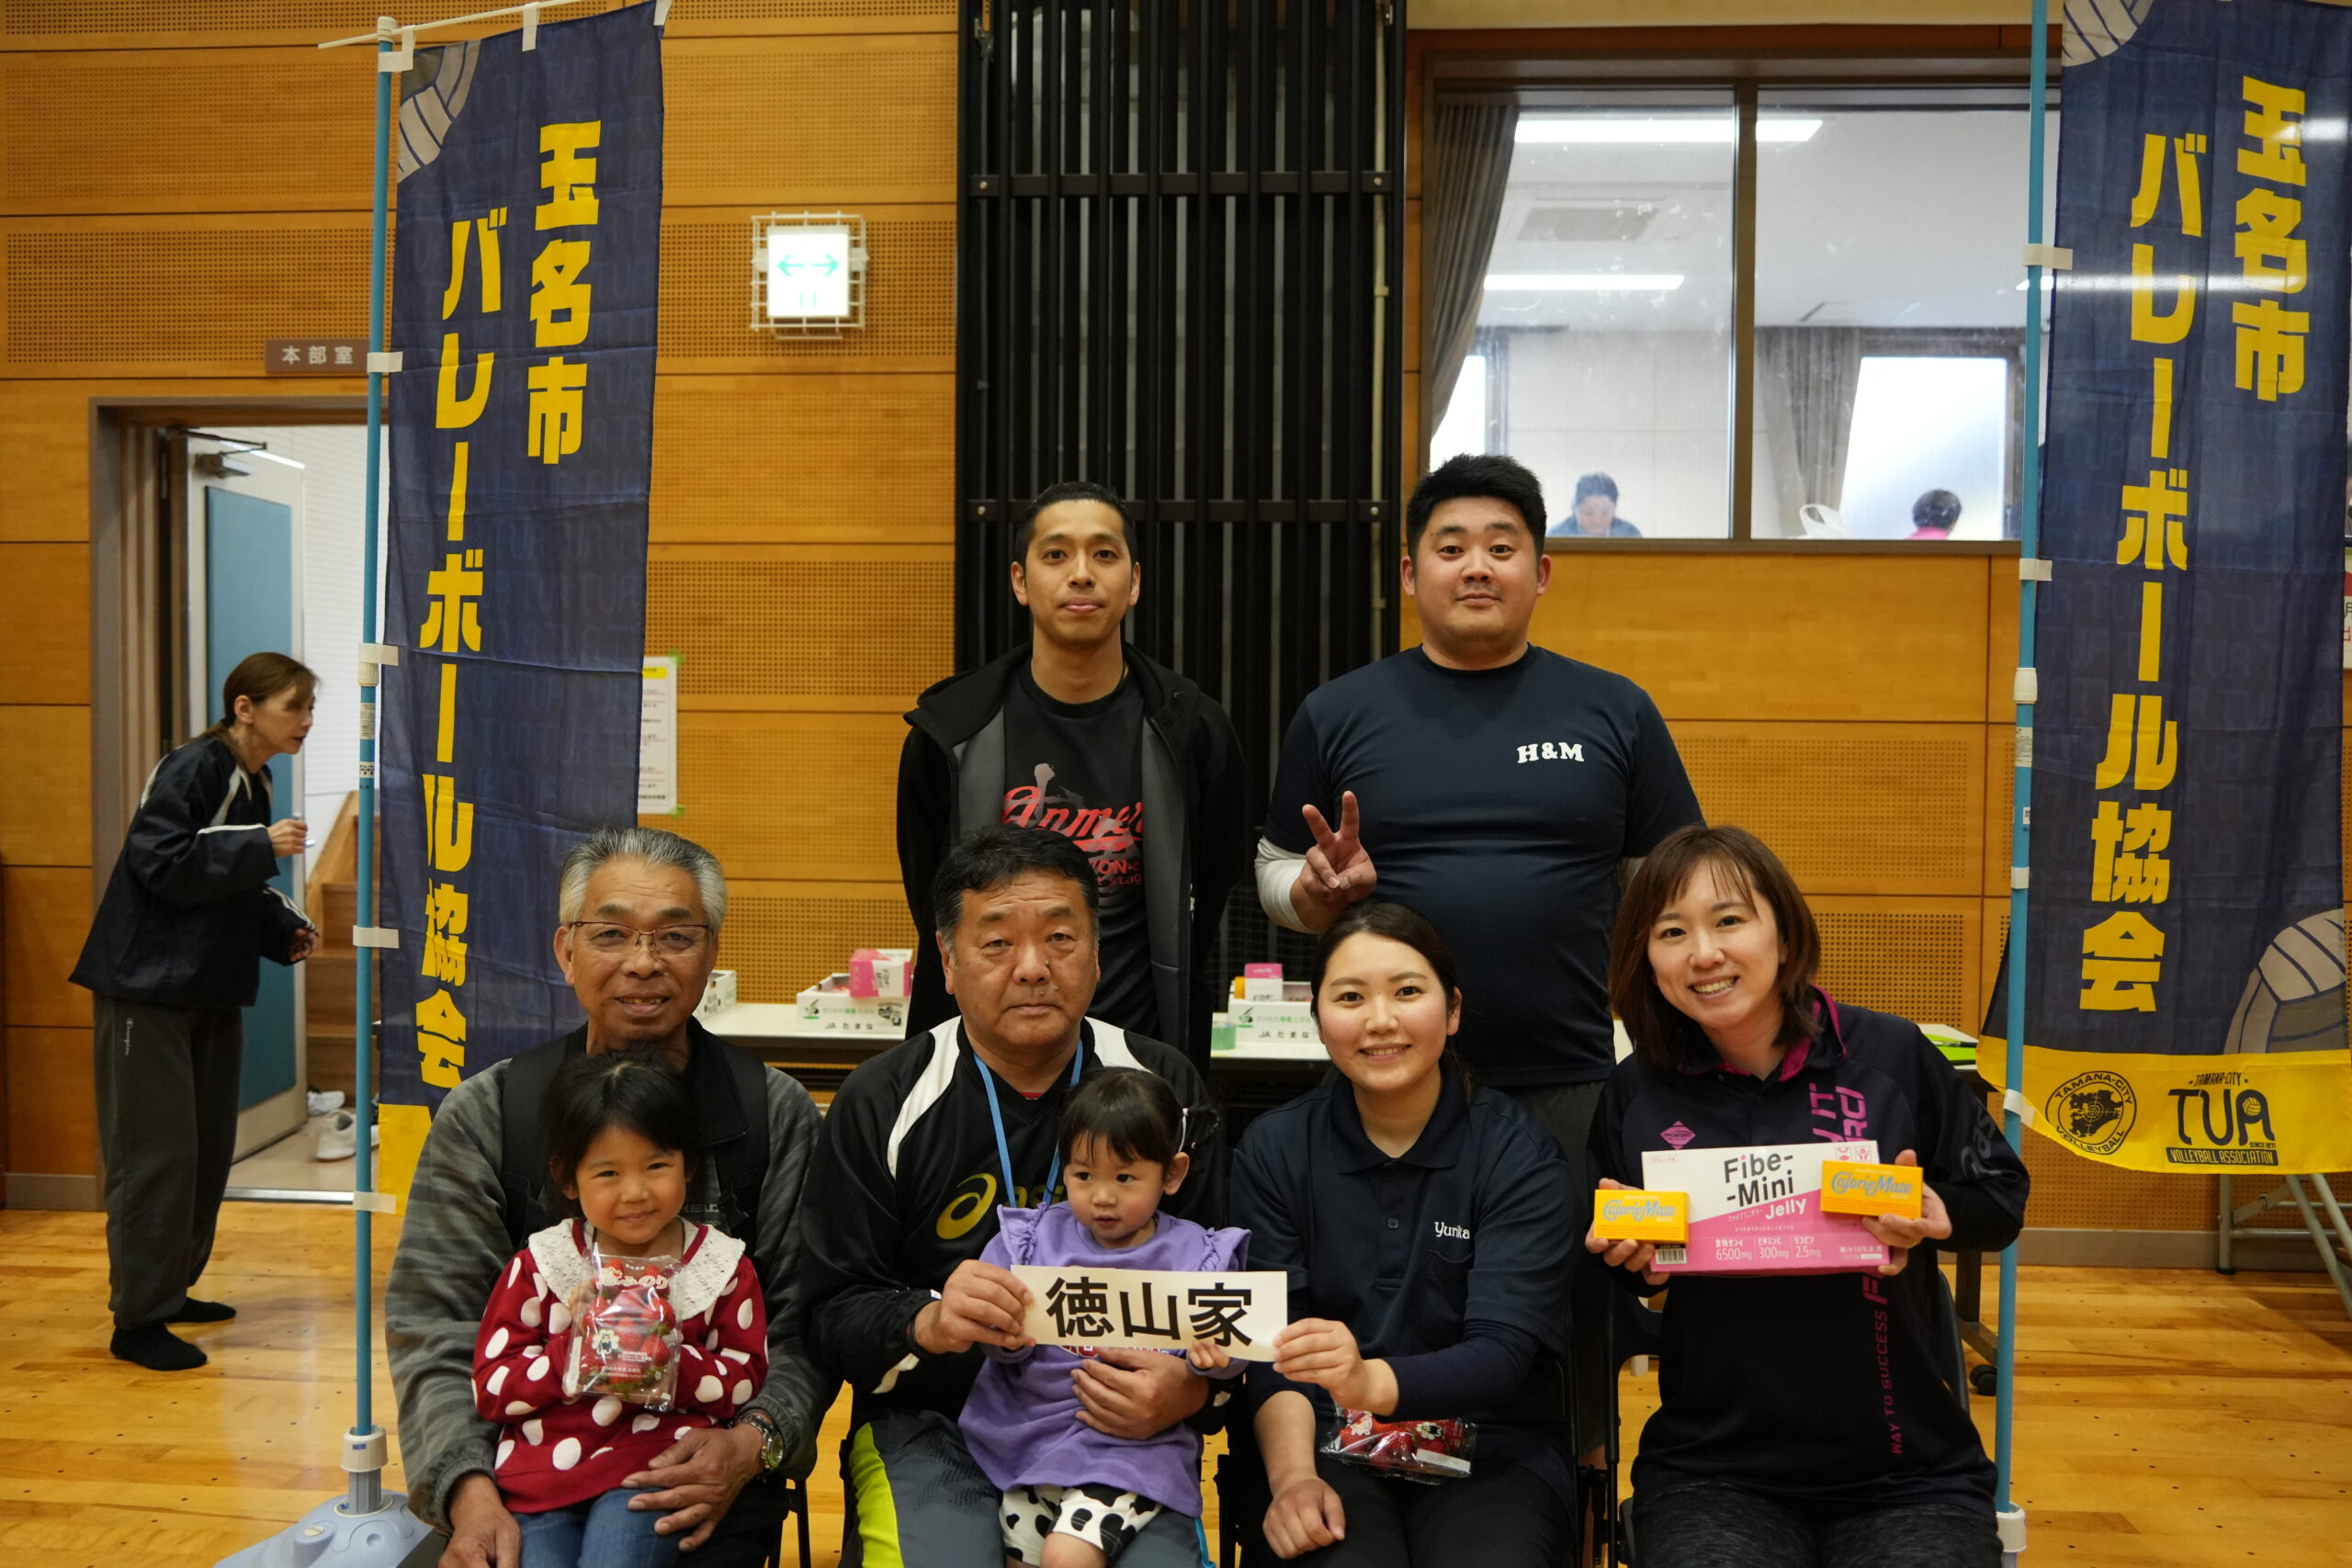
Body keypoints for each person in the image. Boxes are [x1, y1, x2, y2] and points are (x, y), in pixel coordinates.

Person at [1256, 450, 1702, 1458]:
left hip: (1570, 1077)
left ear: (1541, 572)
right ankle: (1361, 1478)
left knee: (1566, 1317)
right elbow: (1275, 872)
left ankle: (1568, 1487)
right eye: (1450, 546)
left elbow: (1670, 885)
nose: (1476, 566)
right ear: (1408, 573)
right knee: (1384, 1298)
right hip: (1388, 1077)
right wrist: (1315, 895)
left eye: (1502, 547)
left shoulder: (1613, 709)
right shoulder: (1340, 710)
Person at [1588, 824, 2030, 1568]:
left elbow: (2001, 1196)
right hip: (1712, 1469)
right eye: (1672, 931)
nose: (1704, 952)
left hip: (1907, 1472)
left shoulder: (1891, 1055)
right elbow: (1619, 1261)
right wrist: (1632, 1257)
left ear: (1785, 934)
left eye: (1730, 919)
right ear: (1648, 958)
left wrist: (1936, 1211)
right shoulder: (1637, 1090)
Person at [387, 826, 828, 1568]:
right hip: (519, 1474)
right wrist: (468, 1491)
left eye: (675, 936)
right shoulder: (490, 1112)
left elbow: (805, 1324)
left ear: (711, 953)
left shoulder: (773, 1114)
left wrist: (752, 1442)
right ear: (566, 950)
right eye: (612, 933)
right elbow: (436, 1325)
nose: (643, 962)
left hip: (700, 1471)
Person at [801, 825, 1227, 1567]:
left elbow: (1229, 1291)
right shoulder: (883, 1099)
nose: (1033, 967)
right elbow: (829, 1310)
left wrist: (1188, 1390)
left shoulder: (1164, 1089)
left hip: (1121, 1433)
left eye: (1060, 938)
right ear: (947, 961)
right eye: (998, 943)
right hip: (932, 1422)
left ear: (1097, 954)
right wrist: (929, 1319)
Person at [1233, 900, 1577, 1565]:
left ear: (1452, 1010)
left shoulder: (1518, 1154)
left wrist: (1367, 1379)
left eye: (1408, 991)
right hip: (1322, 1443)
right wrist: (1294, 1479)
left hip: (1490, 1448)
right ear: (1318, 1020)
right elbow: (1272, 1350)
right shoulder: (1274, 1149)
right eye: (1350, 997)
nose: (1380, 1020)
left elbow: (1502, 1354)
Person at [897, 480, 1254, 1066]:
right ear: (1020, 581)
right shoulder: (950, 735)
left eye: (1104, 554)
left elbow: (1211, 896)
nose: (1082, 574)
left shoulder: (1192, 730)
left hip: (1142, 1061)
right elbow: (934, 905)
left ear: (1133, 582)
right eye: (1056, 554)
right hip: (984, 1064)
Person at [70, 649, 322, 1371]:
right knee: (156, 1154)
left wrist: (280, 929)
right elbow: (158, 859)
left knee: (207, 1150)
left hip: (207, 986)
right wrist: (257, 845)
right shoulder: (194, 766)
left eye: (309, 707)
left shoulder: (256, 778)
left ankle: (170, 1287)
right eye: (294, 706)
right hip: (146, 988)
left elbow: (230, 883)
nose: (306, 720)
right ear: (245, 708)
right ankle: (137, 1318)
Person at [472, 1047, 768, 1568]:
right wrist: (574, 1350)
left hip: (653, 1470)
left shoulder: (720, 1267)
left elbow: (744, 1383)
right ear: (567, 1178)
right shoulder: (542, 1264)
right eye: (607, 1173)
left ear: (688, 1165)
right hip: (539, 1480)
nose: (635, 1192)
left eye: (656, 1166)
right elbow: (492, 1389)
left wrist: (667, 1355)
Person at [960, 1067, 1247, 1567]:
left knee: (1067, 1556)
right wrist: (1002, 1337)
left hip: (1131, 1454)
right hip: (1030, 1444)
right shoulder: (1027, 1241)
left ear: (1173, 1174)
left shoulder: (1198, 1257)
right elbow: (989, 1337)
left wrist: (1214, 1360)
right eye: (1084, 1176)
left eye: (1125, 1177)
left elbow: (1235, 1357)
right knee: (1021, 1558)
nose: (1103, 1196)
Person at [1546, 472, 1641, 538]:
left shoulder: (1630, 535)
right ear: (1574, 508)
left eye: (1605, 512)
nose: (1597, 520)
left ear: (1615, 508)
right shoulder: (1557, 536)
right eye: (1588, 513)